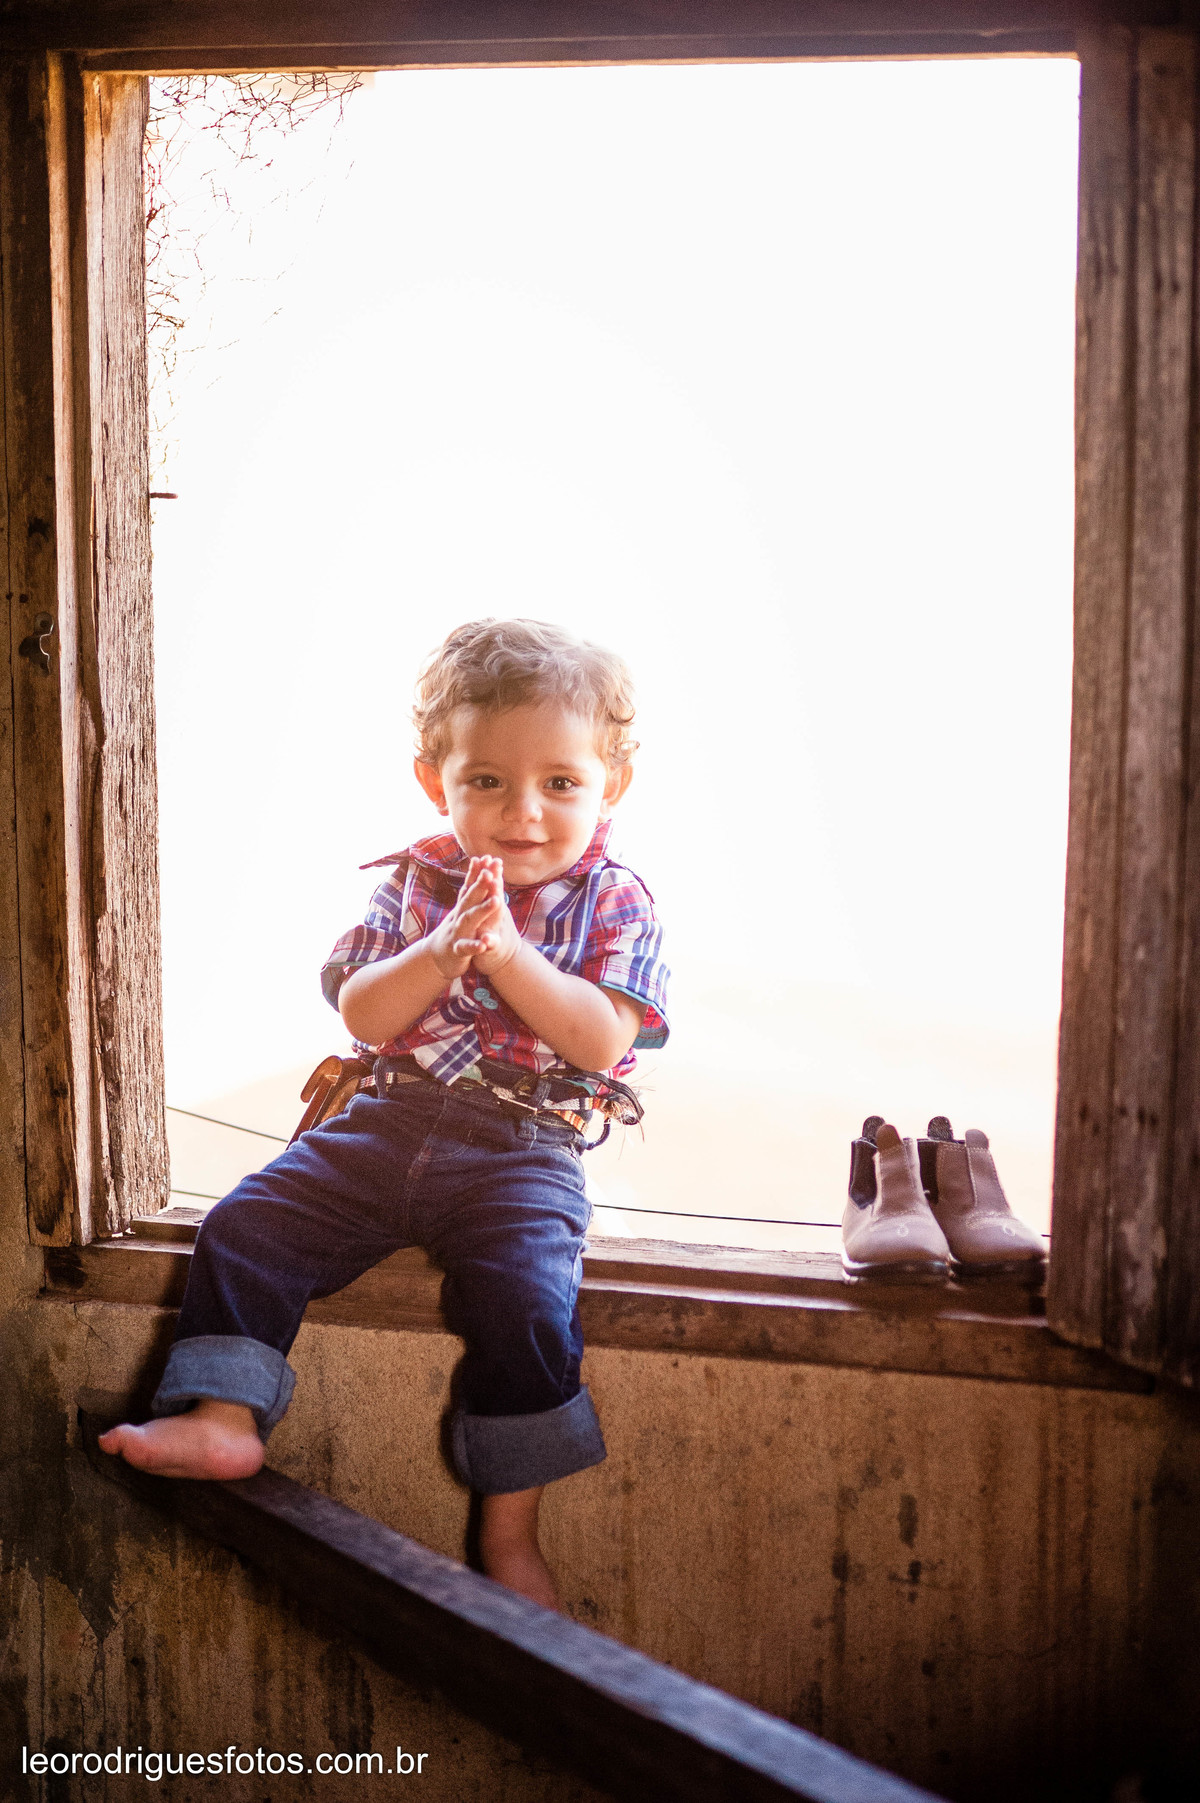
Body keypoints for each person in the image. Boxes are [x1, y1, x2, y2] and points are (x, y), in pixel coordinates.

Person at [99, 618, 670, 1609]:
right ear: (434, 782)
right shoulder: (415, 882)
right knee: (248, 1224)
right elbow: (363, 1012)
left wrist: (507, 956)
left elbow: (595, 1039)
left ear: (610, 786)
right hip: (387, 1122)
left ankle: (510, 1532)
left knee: (529, 1305)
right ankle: (226, 1418)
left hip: (523, 1147)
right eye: (486, 779)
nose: (523, 810)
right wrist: (442, 950)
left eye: (560, 782)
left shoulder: (616, 900)